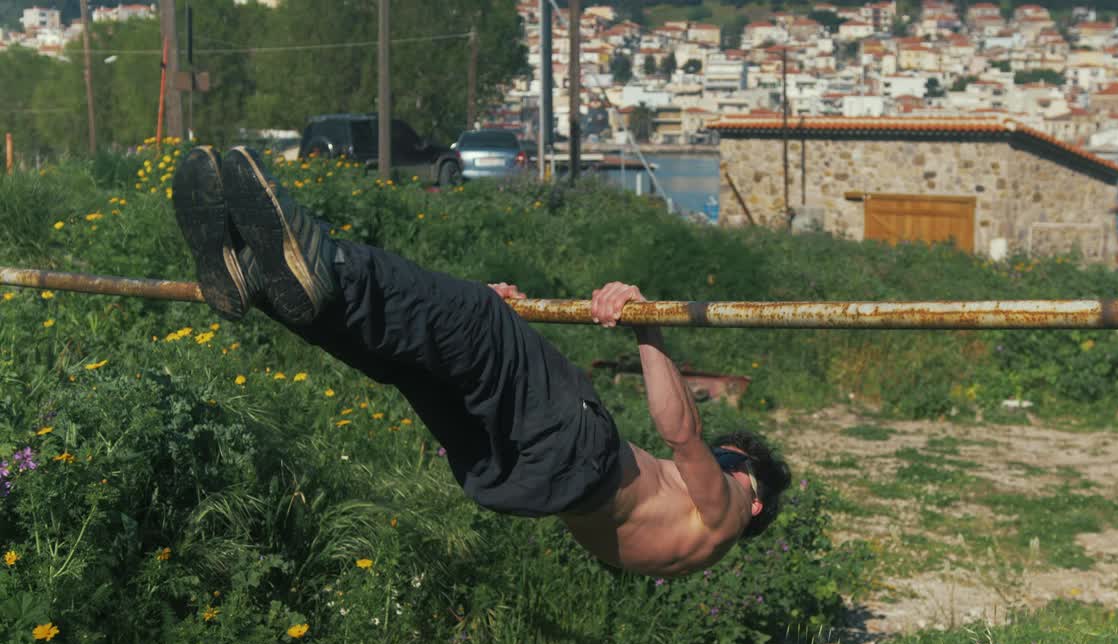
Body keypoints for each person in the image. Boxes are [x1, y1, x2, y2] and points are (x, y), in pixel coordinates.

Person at [172, 146, 791, 578]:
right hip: (519, 483)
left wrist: (647, 325)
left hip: (576, 459)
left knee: (472, 318)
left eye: (736, 463)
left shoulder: (729, 512)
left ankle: (328, 268)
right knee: (420, 357)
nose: (724, 462)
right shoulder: (690, 544)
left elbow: (681, 433)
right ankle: (265, 285)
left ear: (755, 499)